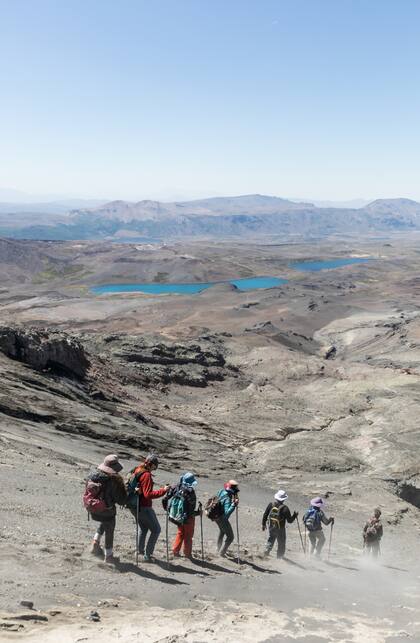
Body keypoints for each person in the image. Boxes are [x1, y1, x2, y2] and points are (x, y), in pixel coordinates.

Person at [85, 454, 127, 565]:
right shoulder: (112, 481)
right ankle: (108, 556)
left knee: (104, 522)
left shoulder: (92, 475)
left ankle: (95, 543)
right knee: (109, 529)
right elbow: (120, 500)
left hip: (92, 508)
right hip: (106, 510)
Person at [129, 454, 170, 562]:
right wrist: (163, 490)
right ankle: (148, 555)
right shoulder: (146, 475)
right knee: (156, 530)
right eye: (155, 467)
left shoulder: (137, 469)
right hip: (144, 506)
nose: (154, 469)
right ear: (152, 465)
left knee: (144, 528)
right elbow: (148, 494)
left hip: (134, 505)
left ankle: (139, 551)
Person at [169, 472, 202, 559]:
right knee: (188, 536)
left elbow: (168, 497)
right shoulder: (190, 492)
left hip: (178, 516)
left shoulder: (177, 487)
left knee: (180, 533)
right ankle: (187, 554)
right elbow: (190, 511)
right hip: (188, 518)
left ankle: (175, 550)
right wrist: (198, 513)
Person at [262, 489, 298, 559]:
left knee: (271, 538)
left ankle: (267, 551)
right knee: (281, 542)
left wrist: (263, 524)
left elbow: (265, 515)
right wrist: (294, 516)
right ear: (283, 499)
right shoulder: (285, 508)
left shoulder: (271, 504)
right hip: (280, 528)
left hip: (271, 526)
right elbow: (289, 521)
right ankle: (279, 556)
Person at [215, 480, 239, 557]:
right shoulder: (228, 498)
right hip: (222, 519)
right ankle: (222, 552)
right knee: (231, 537)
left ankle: (217, 548)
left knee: (222, 531)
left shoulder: (221, 491)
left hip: (216, 516)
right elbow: (226, 514)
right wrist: (233, 505)